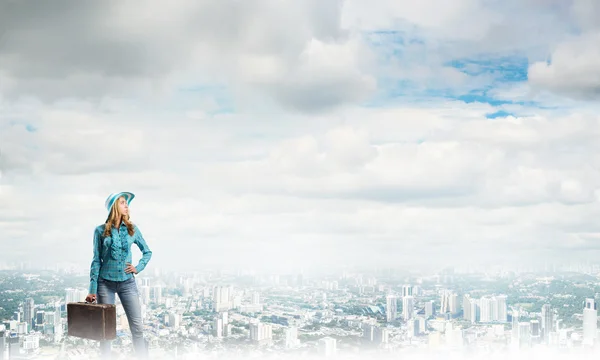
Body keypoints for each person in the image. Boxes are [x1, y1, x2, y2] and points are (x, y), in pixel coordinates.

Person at [86, 192, 153, 358]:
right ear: (114, 206)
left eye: (127, 203)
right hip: (104, 284)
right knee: (105, 330)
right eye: (123, 202)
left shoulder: (132, 229)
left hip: (127, 283)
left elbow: (147, 252)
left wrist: (138, 267)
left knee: (137, 328)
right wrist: (92, 289)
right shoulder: (100, 231)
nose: (127, 206)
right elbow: (96, 260)